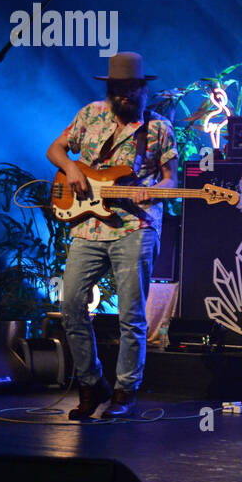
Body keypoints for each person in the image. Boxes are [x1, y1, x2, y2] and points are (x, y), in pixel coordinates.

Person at [47, 52, 178, 420]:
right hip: (87, 226)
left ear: (142, 88)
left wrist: (153, 190)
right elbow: (55, 149)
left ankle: (125, 390)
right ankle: (91, 384)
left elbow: (172, 179)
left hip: (135, 227)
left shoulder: (158, 129)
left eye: (130, 89)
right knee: (71, 303)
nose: (123, 95)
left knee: (130, 314)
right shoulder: (89, 115)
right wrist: (72, 168)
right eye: (117, 89)